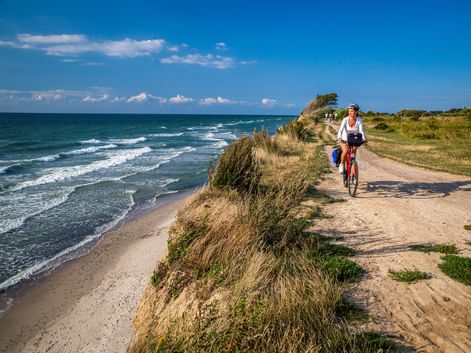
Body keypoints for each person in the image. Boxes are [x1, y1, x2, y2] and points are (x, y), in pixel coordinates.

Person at [337, 103, 367, 173]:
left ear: (356, 112)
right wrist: (339, 138)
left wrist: (364, 139)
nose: (350, 112)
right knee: (346, 151)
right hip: (344, 139)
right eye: (349, 111)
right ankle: (341, 164)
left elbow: (361, 131)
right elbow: (340, 130)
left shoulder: (359, 120)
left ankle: (354, 176)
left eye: (352, 111)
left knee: (353, 156)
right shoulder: (345, 119)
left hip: (354, 140)